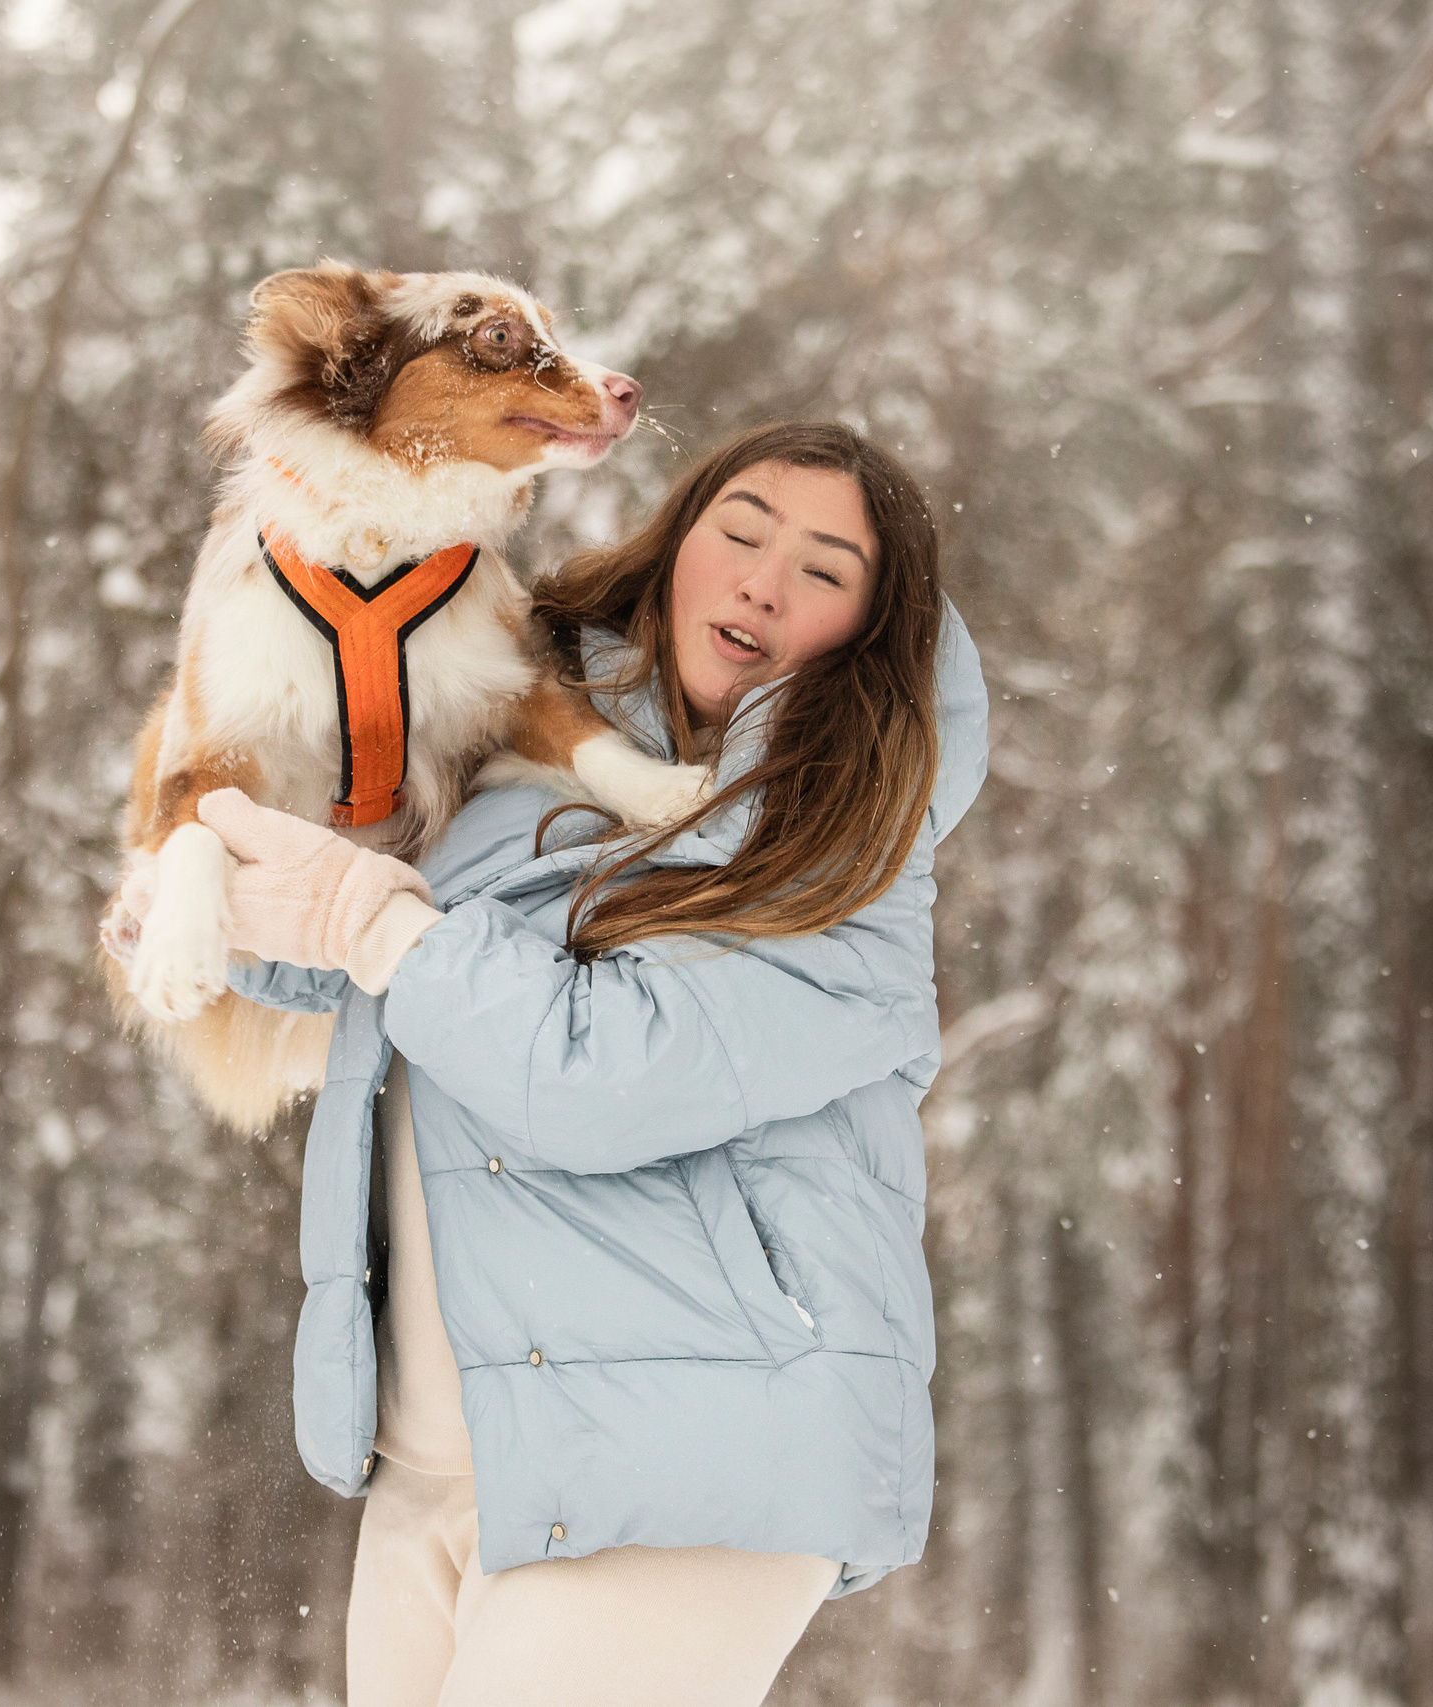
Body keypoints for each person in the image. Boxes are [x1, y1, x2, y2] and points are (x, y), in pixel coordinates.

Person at [186, 420, 985, 1705]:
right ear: (677, 543)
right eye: (740, 533)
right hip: (445, 1455)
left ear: (872, 627)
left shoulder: (846, 863)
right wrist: (225, 898)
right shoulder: (526, 750)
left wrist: (371, 921)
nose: (762, 583)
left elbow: (598, 1077)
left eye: (823, 570)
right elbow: (386, 973)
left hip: (693, 1453)